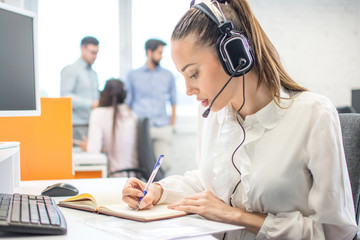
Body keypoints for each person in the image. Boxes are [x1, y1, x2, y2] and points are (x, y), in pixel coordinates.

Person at [122, 0, 357, 239]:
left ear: (235, 56)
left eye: (194, 73)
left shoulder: (314, 114)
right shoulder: (214, 113)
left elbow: (335, 231)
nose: (188, 90)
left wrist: (237, 216)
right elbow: (207, 182)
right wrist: (159, 190)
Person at [125, 39, 176, 172]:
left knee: (165, 164)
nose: (161, 56)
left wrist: (171, 125)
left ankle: (157, 190)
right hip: (141, 128)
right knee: (140, 166)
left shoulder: (168, 75)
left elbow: (173, 101)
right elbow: (127, 103)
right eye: (159, 52)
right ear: (149, 52)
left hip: (162, 126)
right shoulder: (133, 75)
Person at [75, 78, 138, 177]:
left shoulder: (98, 113)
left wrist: (87, 146)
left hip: (115, 177)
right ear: (124, 95)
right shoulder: (131, 114)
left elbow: (93, 150)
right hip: (135, 177)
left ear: (102, 95)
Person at [61, 36, 100, 142]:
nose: (94, 56)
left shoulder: (94, 74)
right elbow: (65, 97)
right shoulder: (71, 70)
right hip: (77, 125)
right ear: (83, 48)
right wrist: (91, 104)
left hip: (92, 124)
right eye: (92, 52)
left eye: (96, 53)